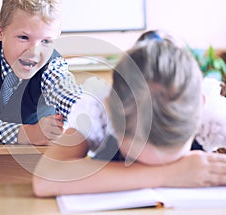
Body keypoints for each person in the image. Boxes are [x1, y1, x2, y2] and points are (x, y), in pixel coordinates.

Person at [32, 37, 226, 197]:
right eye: (136, 159)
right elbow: (46, 178)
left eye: (173, 160)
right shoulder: (98, 111)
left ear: (201, 107)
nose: (151, 166)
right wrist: (170, 173)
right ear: (109, 108)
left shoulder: (213, 115)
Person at [0, 0, 82, 145]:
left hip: (37, 156)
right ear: (0, 30)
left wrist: (88, 111)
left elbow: (69, 95)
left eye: (46, 41)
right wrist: (28, 134)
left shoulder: (52, 65)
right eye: (23, 37)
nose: (34, 52)